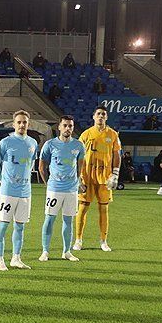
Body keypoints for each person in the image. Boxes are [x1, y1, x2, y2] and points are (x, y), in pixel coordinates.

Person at [0, 110, 39, 271]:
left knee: (20, 226)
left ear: (28, 124)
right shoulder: (5, 143)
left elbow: (31, 163)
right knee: (3, 225)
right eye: (19, 122)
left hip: (25, 193)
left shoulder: (33, 143)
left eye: (24, 122)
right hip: (8, 192)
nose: (22, 125)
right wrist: (3, 181)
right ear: (13, 124)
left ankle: (16, 258)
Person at [38, 115, 85, 262]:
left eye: (70, 126)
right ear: (59, 127)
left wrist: (77, 182)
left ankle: (66, 251)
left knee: (68, 221)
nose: (67, 128)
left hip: (71, 190)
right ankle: (45, 251)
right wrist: (48, 184)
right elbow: (41, 167)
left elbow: (80, 167)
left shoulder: (78, 145)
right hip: (54, 189)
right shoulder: (50, 144)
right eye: (65, 125)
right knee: (49, 219)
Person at [74, 106, 121, 252]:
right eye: (98, 114)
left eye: (103, 114)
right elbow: (77, 156)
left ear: (106, 117)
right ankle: (78, 240)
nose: (101, 116)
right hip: (86, 176)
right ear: (93, 116)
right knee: (82, 208)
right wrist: (78, 177)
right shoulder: (86, 134)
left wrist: (115, 174)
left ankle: (103, 241)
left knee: (103, 208)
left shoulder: (112, 134)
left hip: (104, 177)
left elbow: (117, 155)